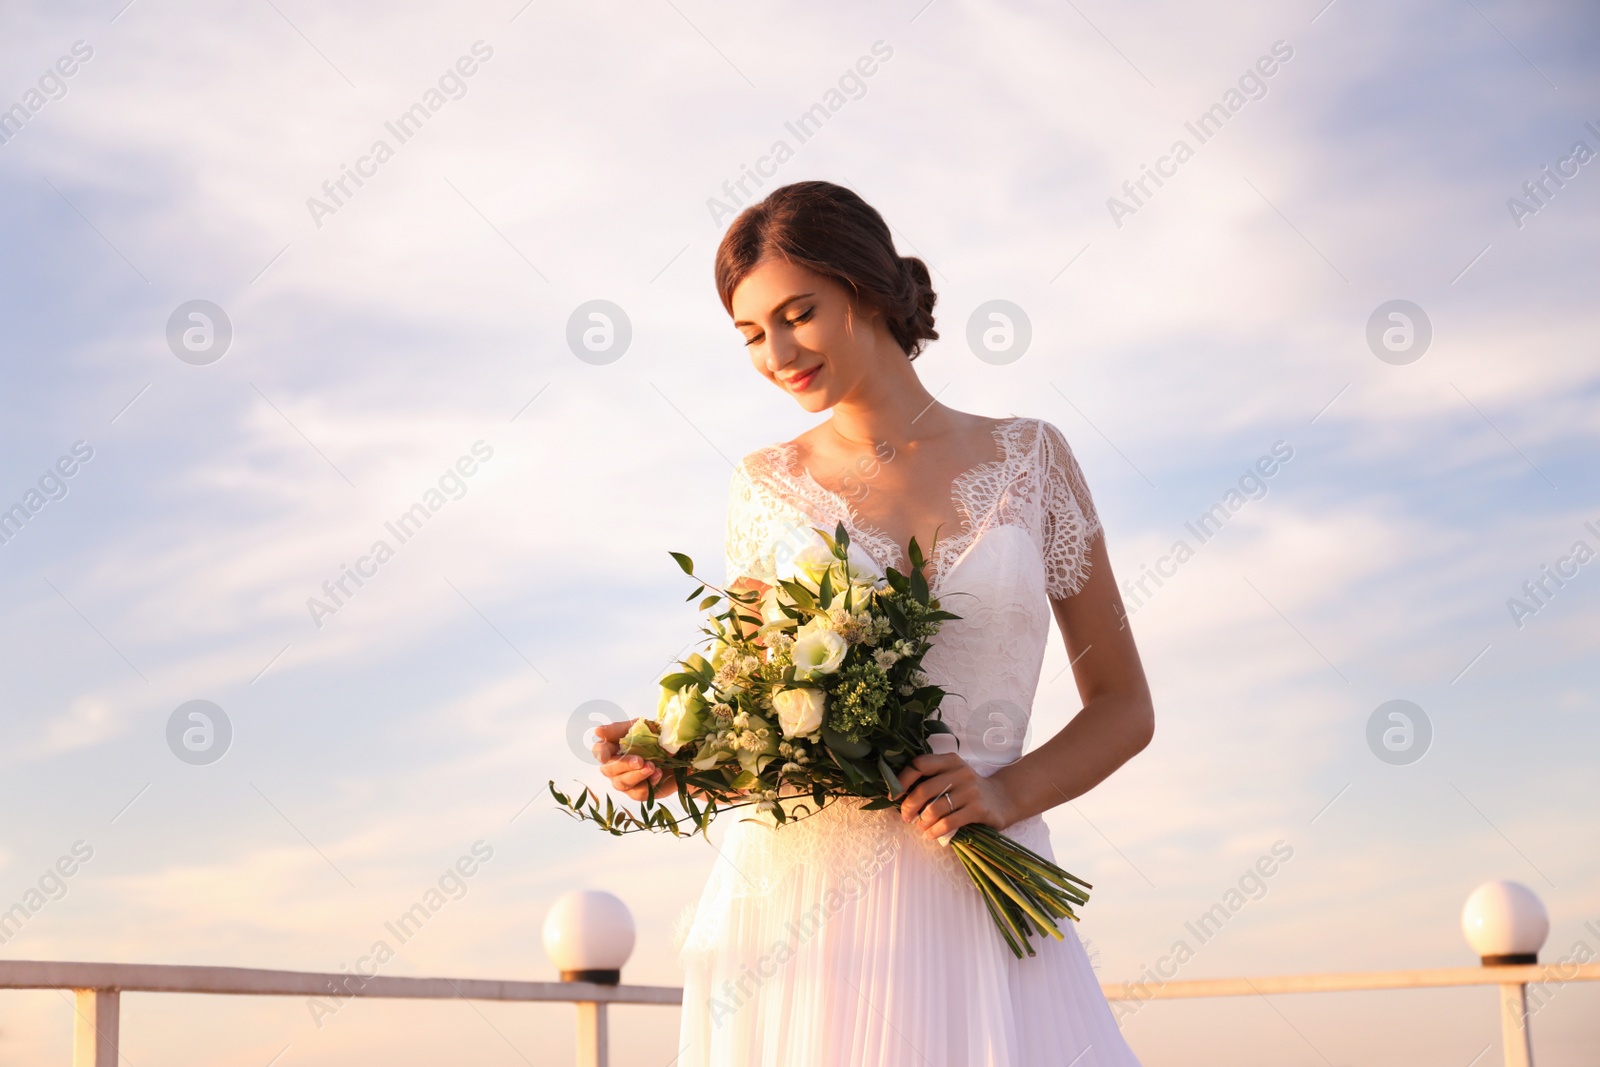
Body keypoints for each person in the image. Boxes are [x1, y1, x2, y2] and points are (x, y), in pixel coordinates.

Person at [593, 180, 1153, 1066]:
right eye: (749, 334)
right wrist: (672, 751)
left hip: (978, 897)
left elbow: (1124, 705)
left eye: (796, 312)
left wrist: (1004, 794)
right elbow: (754, 717)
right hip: (799, 912)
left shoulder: (1032, 458)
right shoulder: (765, 485)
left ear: (866, 287)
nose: (776, 352)